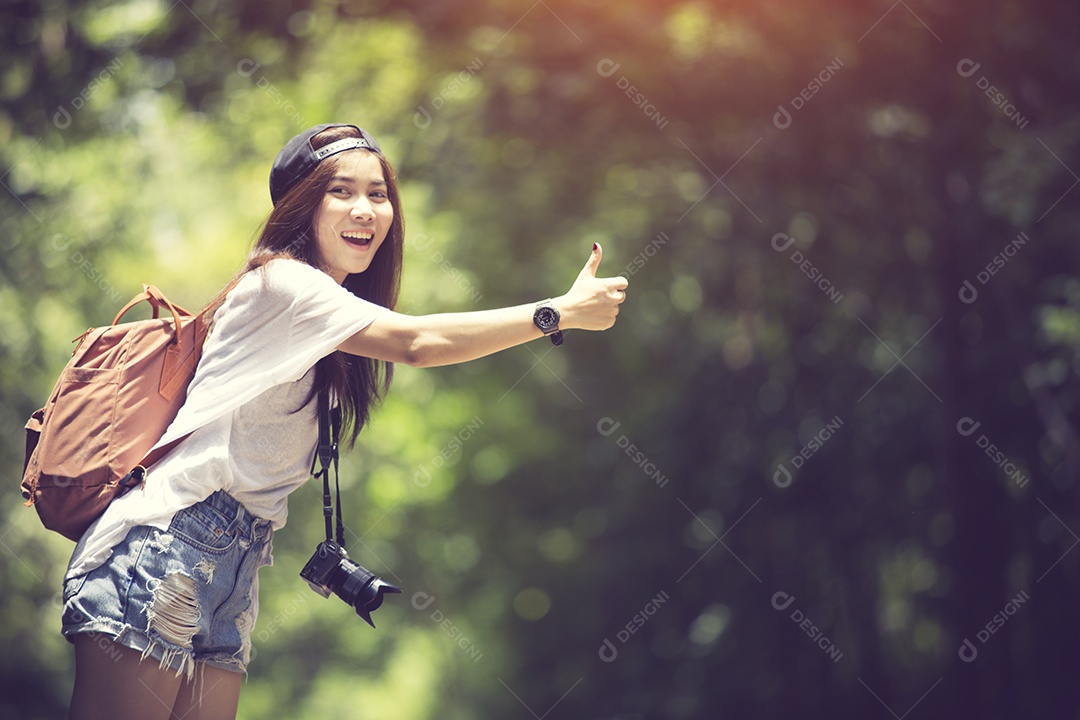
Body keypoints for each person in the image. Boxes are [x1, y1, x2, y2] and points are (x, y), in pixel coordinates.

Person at [61, 123, 629, 720]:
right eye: (341, 192)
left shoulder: (329, 318)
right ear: (301, 208)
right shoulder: (283, 283)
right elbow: (420, 342)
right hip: (166, 543)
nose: (365, 210)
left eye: (379, 194)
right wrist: (555, 313)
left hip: (236, 559)